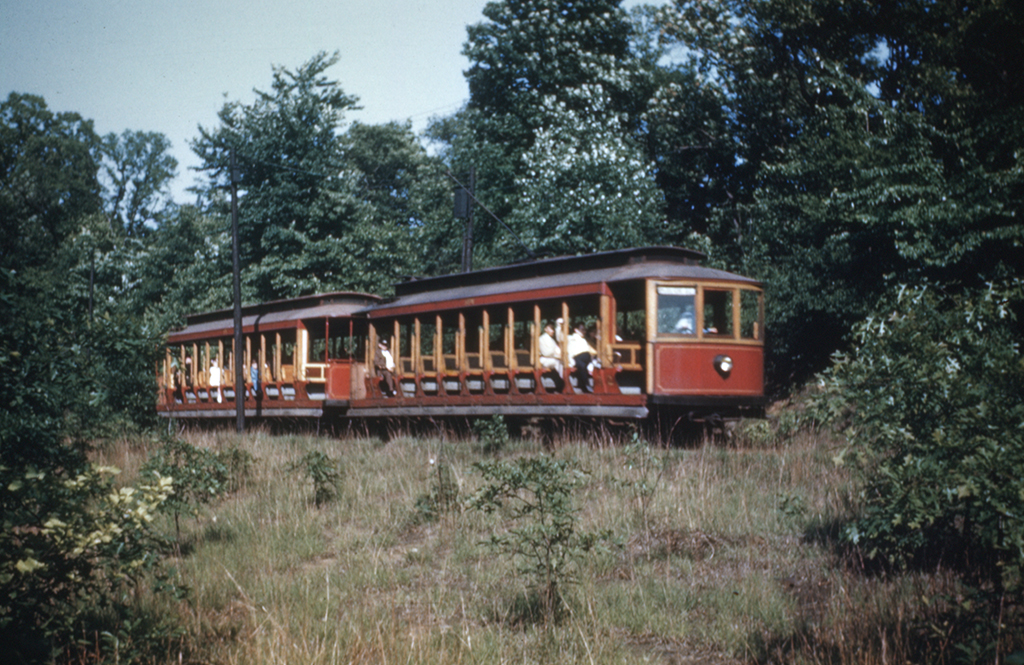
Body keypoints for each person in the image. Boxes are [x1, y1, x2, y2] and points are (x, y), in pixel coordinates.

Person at [567, 323, 597, 393]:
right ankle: (586, 385)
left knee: (583, 365)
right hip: (575, 358)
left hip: (583, 358)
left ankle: (585, 385)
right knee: (585, 359)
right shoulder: (571, 338)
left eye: (585, 330)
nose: (584, 332)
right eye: (582, 330)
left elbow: (593, 349)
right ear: (576, 330)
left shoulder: (584, 339)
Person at [538, 323, 565, 392]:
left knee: (562, 362)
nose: (552, 331)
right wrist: (556, 354)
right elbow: (546, 352)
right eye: (550, 329)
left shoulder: (552, 339)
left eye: (553, 329)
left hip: (552, 358)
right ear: (545, 329)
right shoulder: (542, 338)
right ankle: (564, 381)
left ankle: (562, 382)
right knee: (558, 363)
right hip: (545, 359)